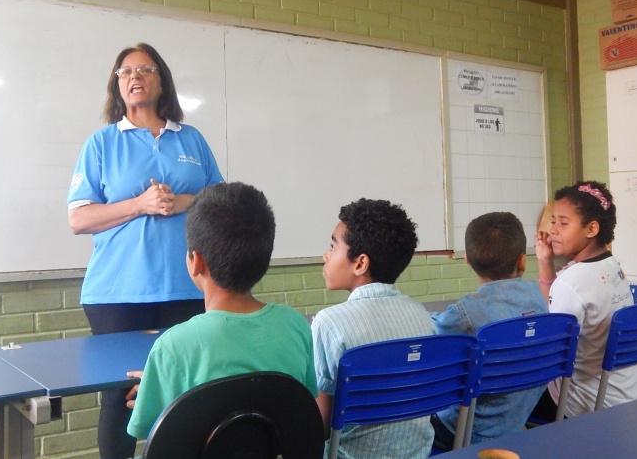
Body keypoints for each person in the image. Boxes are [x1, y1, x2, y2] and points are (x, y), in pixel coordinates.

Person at [67, 43, 223, 459]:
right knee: (122, 395)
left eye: (146, 69)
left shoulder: (191, 139)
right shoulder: (102, 143)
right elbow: (79, 219)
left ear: (162, 81)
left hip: (187, 286)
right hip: (117, 293)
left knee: (183, 390)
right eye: (126, 71)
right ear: (117, 84)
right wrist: (140, 204)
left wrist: (184, 201)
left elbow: (222, 201)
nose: (135, 77)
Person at [126, 181, 317, 439]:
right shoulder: (295, 326)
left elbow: (150, 433)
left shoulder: (172, 348)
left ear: (197, 261)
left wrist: (158, 385)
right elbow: (302, 402)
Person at [311, 198, 436, 459]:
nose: (325, 255)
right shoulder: (421, 316)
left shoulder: (329, 323)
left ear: (360, 263)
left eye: (333, 247)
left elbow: (320, 423)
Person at [430, 212, 548, 449]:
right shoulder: (539, 299)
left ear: (468, 260)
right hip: (516, 420)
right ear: (522, 261)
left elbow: (429, 334)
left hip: (467, 431)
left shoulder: (465, 313)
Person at [534, 180, 637, 418]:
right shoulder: (611, 266)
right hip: (624, 393)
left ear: (591, 229)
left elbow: (553, 350)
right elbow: (556, 306)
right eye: (553, 221)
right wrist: (545, 261)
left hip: (586, 402)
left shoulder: (572, 281)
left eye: (563, 223)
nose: (553, 230)